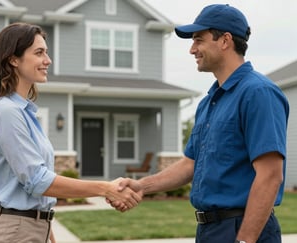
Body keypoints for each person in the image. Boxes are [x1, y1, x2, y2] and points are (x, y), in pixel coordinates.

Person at [110, 4, 289, 243]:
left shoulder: (258, 93)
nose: (192, 50)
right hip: (209, 230)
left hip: (243, 229)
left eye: (198, 40)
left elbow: (270, 175)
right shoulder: (209, 102)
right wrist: (142, 185)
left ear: (225, 41)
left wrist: (245, 240)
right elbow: (190, 164)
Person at [0, 22, 141, 243]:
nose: (48, 61)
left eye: (46, 53)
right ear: (13, 59)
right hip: (13, 233)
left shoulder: (23, 111)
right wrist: (106, 188)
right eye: (39, 53)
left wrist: (47, 231)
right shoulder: (6, 111)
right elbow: (37, 180)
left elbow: (34, 188)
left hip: (33, 228)